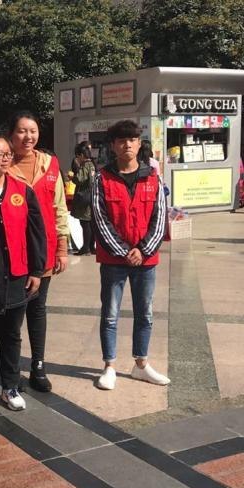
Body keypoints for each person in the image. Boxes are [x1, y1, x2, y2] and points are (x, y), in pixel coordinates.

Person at [92, 120, 169, 391]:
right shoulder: (101, 179)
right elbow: (100, 220)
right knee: (110, 314)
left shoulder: (153, 178)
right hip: (114, 261)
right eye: (122, 140)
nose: (128, 144)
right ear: (113, 146)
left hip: (146, 262)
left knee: (145, 313)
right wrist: (125, 251)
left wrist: (143, 250)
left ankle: (141, 365)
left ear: (139, 143)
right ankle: (109, 366)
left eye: (133, 139)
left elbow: (160, 218)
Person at [0, 134, 46, 412]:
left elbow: (36, 233)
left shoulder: (22, 191)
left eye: (7, 154)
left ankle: (10, 387)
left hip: (17, 274)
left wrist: (36, 270)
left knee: (12, 334)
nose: (5, 159)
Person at [7, 111, 69, 392]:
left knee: (37, 308)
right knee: (13, 312)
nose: (28, 136)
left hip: (44, 249)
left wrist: (62, 247)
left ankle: (38, 366)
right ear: (11, 135)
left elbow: (59, 207)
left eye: (32, 131)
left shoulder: (50, 164)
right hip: (12, 250)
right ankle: (9, 369)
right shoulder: (2, 165)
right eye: (22, 131)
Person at [70, 142, 96, 255]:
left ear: (81, 155)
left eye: (77, 156)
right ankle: (91, 246)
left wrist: (72, 177)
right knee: (91, 223)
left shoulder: (85, 165)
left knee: (85, 223)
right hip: (91, 197)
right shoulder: (92, 165)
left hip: (84, 198)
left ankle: (86, 248)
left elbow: (79, 179)